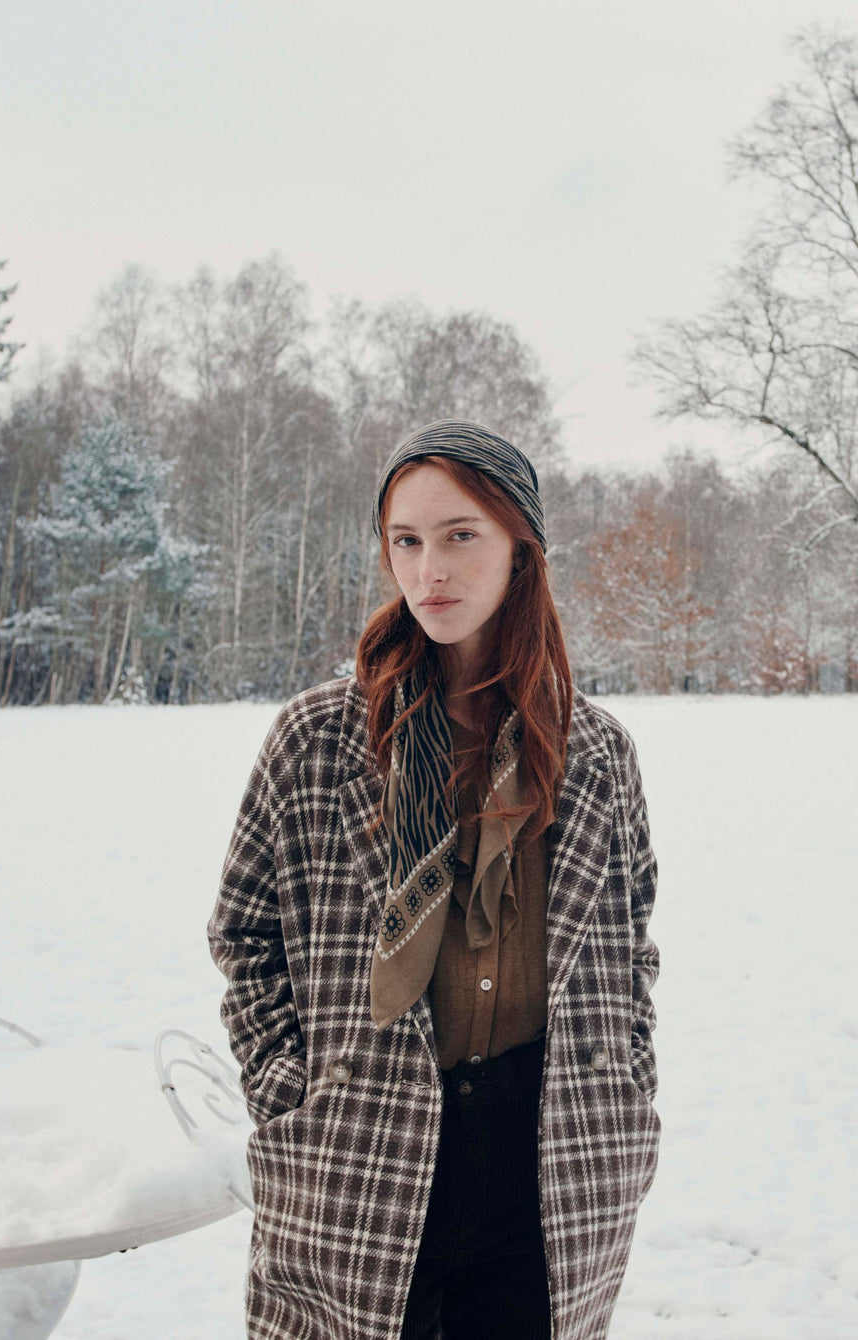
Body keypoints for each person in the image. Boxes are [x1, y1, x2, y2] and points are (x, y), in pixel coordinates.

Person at [208, 419, 660, 1340]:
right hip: (361, 1144)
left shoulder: (595, 751)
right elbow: (244, 935)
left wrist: (628, 1083)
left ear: (521, 550)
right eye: (406, 542)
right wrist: (294, 1094)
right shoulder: (318, 738)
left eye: (461, 536)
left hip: (548, 1150)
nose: (430, 572)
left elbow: (630, 940)